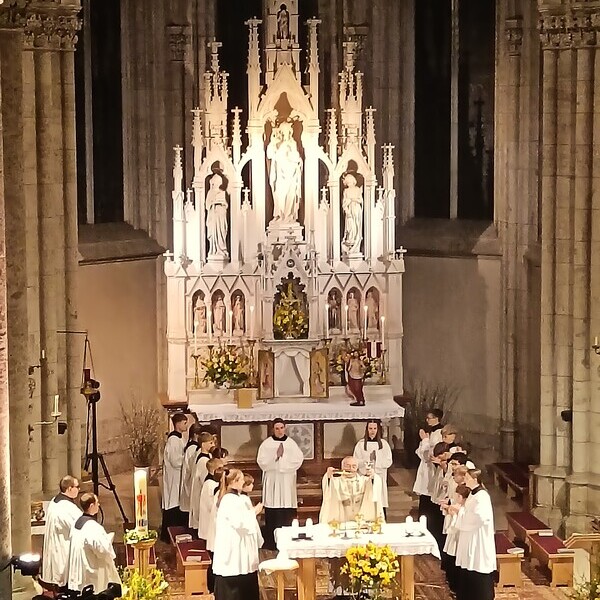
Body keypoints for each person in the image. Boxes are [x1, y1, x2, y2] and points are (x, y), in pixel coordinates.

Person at [213, 469, 263, 600]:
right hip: (233, 549)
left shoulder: (239, 498)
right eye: (240, 479)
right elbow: (238, 522)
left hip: (242, 547)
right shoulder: (228, 500)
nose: (243, 482)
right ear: (233, 482)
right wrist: (254, 512)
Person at [256, 418, 304, 550]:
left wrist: (283, 462)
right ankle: (272, 543)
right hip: (273, 479)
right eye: (277, 428)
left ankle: (288, 541)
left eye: (281, 428)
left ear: (285, 428)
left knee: (286, 510)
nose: (279, 431)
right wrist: (276, 457)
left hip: (287, 480)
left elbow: (298, 460)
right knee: (273, 509)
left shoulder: (291, 444)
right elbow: (262, 462)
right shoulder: (266, 444)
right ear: (273, 429)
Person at [450, 469, 496, 600]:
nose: (465, 480)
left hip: (478, 538)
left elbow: (480, 517)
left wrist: (460, 512)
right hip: (470, 536)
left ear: (475, 480)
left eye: (467, 477)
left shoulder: (482, 496)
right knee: (468, 567)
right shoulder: (472, 494)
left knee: (478, 566)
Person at [66, 493, 121, 594]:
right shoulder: (93, 527)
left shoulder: (76, 523)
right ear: (91, 506)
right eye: (97, 503)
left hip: (80, 569)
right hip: (91, 572)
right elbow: (103, 551)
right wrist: (108, 540)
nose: (99, 505)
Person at [41, 475, 82, 591]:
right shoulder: (66, 507)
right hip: (63, 548)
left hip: (57, 545)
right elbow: (80, 527)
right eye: (77, 487)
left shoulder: (55, 501)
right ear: (69, 488)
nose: (79, 489)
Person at [319, 456, 384, 524]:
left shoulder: (364, 481)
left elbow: (374, 485)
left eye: (354, 466)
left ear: (357, 468)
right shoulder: (336, 482)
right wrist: (328, 475)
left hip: (360, 520)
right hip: (342, 519)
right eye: (347, 466)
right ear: (342, 467)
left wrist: (373, 476)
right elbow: (328, 489)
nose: (351, 469)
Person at [352, 421, 393, 513]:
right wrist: (367, 460)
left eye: (375, 428)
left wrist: (377, 457)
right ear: (367, 430)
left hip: (379, 477)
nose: (372, 431)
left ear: (378, 430)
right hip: (365, 477)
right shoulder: (360, 444)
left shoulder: (384, 444)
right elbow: (355, 461)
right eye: (370, 428)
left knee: (379, 501)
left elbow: (389, 461)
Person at [267, 121, 302, 224]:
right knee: (279, 195)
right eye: (282, 131)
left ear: (289, 132)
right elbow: (269, 154)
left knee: (290, 195)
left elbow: (296, 158)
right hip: (280, 175)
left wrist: (292, 155)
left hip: (290, 175)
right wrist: (272, 142)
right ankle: (279, 215)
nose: (284, 134)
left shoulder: (292, 143)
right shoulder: (277, 143)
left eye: (286, 131)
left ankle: (288, 216)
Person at [160, 412, 188, 541]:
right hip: (174, 477)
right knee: (173, 503)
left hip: (177, 476)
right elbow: (175, 461)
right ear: (177, 424)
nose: (186, 425)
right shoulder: (173, 440)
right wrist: (187, 459)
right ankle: (168, 535)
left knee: (176, 501)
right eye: (184, 423)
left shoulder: (179, 438)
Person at [413, 408, 444, 517]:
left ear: (437, 418)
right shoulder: (431, 432)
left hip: (432, 469)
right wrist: (424, 441)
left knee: (430, 495)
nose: (427, 420)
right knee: (424, 497)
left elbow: (430, 454)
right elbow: (420, 452)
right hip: (425, 468)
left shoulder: (440, 433)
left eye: (429, 418)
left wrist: (425, 440)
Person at [189, 431, 217, 533]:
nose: (213, 445)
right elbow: (204, 478)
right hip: (201, 491)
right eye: (210, 443)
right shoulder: (203, 460)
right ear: (203, 444)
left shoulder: (208, 456)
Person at [180, 423, 203, 525]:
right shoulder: (193, 448)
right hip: (189, 479)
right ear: (195, 435)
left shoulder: (193, 447)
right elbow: (191, 467)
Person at [206, 173, 229, 258]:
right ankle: (213, 250)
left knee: (221, 231)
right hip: (213, 216)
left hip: (221, 216)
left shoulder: (222, 192)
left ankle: (222, 250)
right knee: (213, 233)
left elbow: (226, 205)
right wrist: (213, 203)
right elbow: (207, 205)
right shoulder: (210, 193)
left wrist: (221, 203)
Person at [341, 173, 363, 255]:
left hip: (356, 209)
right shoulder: (346, 191)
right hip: (349, 210)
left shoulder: (357, 189)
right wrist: (347, 211)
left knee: (356, 226)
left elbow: (360, 200)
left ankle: (356, 243)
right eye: (347, 182)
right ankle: (350, 241)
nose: (349, 184)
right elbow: (344, 203)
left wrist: (352, 199)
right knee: (350, 227)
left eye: (350, 181)